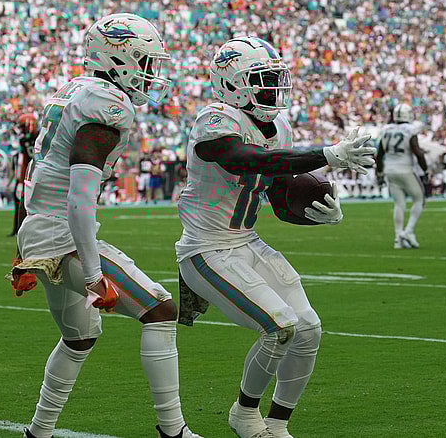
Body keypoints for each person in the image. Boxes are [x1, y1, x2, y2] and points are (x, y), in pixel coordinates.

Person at [7, 14, 202, 438]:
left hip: (41, 231)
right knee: (160, 310)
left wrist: (28, 246)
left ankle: (38, 432)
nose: (152, 74)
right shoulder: (106, 108)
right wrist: (94, 275)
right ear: (120, 60)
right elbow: (79, 200)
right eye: (146, 63)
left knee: (79, 339)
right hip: (62, 236)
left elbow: (41, 175)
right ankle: (173, 430)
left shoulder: (74, 91)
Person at [175, 36, 375, 438]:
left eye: (274, 79)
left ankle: (278, 424)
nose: (272, 88)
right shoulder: (215, 119)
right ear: (232, 83)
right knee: (279, 326)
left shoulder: (278, 125)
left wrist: (320, 216)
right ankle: (244, 414)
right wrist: (327, 155)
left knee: (308, 328)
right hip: (205, 249)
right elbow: (244, 159)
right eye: (263, 79)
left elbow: (281, 199)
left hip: (246, 242)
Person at [375, 103, 427, 249]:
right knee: (419, 199)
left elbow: (379, 155)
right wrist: (426, 170)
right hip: (404, 169)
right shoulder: (410, 130)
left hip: (389, 170)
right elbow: (417, 151)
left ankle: (398, 238)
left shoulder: (386, 130)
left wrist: (379, 173)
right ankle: (408, 231)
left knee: (399, 203)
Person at [9, 113, 38, 236]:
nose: (21, 129)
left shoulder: (36, 137)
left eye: (22, 126)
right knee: (21, 203)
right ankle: (18, 229)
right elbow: (25, 161)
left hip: (39, 173)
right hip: (32, 173)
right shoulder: (27, 139)